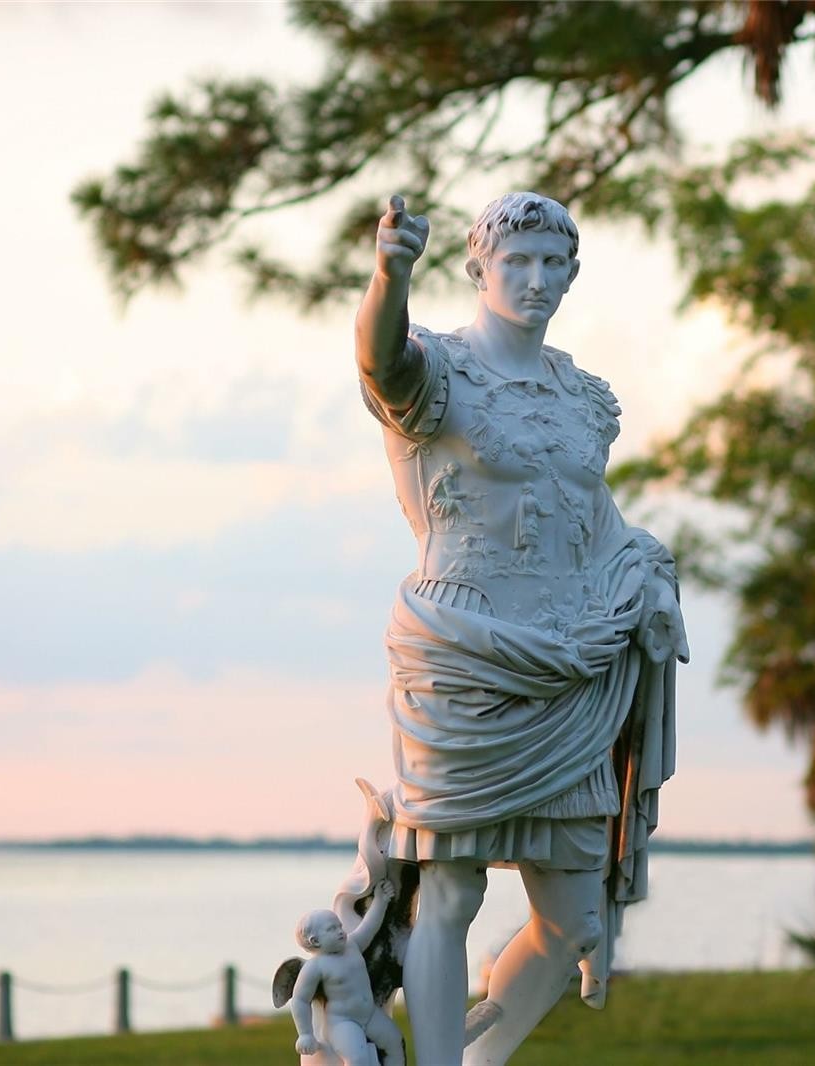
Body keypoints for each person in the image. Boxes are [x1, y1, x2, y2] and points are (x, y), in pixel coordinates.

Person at [356, 191, 687, 1065]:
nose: (536, 280)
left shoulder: (584, 398)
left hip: (572, 674)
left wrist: (644, 571)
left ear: (572, 275)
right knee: (449, 893)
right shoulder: (439, 372)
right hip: (465, 654)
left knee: (575, 919)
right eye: (517, 262)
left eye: (552, 264)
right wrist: (390, 273)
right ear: (479, 269)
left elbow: (594, 517)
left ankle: (478, 1058)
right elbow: (380, 358)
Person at [288, 880, 405, 1066]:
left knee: (395, 1042)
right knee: (357, 1060)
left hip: (369, 1014)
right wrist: (305, 1034)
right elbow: (300, 1000)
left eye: (339, 926)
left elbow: (369, 926)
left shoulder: (352, 945)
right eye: (332, 929)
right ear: (315, 941)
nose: (340, 931)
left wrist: (380, 901)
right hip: (343, 1023)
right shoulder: (316, 967)